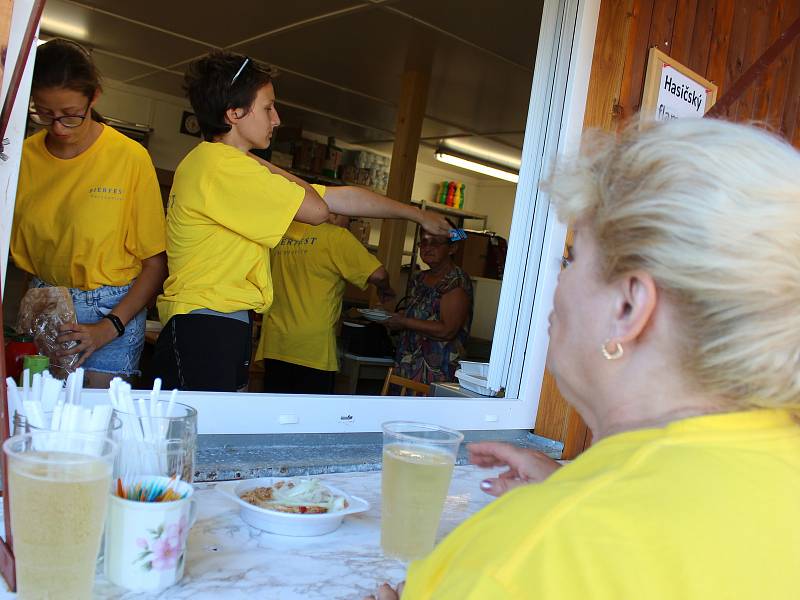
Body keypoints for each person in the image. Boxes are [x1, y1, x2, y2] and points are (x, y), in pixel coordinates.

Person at [366, 118, 800, 600]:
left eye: (571, 259)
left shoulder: (530, 553)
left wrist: (569, 504)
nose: (558, 281)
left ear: (628, 308)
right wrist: (575, 482)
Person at [152, 51, 450, 392]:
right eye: (267, 107)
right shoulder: (222, 165)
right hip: (206, 325)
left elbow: (342, 198)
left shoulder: (229, 167)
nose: (276, 119)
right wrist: (259, 163)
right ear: (234, 113)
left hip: (216, 322)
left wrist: (417, 215)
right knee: (200, 438)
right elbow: (320, 210)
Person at [10, 39, 167, 387]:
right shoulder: (23, 157)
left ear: (93, 97)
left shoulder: (129, 158)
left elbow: (155, 265)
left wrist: (107, 328)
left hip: (111, 310)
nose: (58, 128)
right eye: (44, 114)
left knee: (95, 425)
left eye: (70, 114)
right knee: (40, 417)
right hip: (44, 303)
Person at [256, 214, 395, 394]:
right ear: (334, 213)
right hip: (313, 348)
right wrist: (385, 289)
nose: (350, 225)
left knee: (276, 414)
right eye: (350, 219)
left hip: (275, 342)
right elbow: (379, 275)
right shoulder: (336, 236)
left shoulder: (280, 234)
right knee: (312, 418)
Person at [385, 227, 473, 384]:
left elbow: (447, 330)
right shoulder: (419, 278)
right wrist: (389, 316)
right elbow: (419, 315)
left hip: (436, 373)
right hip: (407, 366)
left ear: (452, 248)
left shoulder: (455, 281)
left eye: (435, 243)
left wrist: (404, 322)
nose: (427, 248)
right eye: (424, 242)